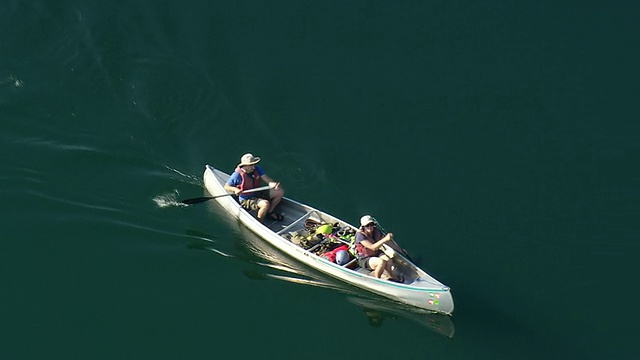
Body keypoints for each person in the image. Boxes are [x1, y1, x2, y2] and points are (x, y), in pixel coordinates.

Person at [224, 153, 285, 222]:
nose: (253, 167)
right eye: (251, 165)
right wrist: (235, 189)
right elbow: (226, 186)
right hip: (246, 199)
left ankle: (269, 212)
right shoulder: (237, 175)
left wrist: (272, 183)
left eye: (253, 164)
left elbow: (266, 178)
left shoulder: (256, 169)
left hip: (257, 192)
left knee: (280, 192)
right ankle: (259, 221)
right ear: (245, 166)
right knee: (265, 204)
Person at [354, 215, 403, 282]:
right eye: (367, 225)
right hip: (365, 259)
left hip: (376, 253)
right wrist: (385, 239)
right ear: (363, 227)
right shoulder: (360, 236)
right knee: (381, 262)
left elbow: (389, 242)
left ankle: (391, 276)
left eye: (371, 224)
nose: (370, 227)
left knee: (388, 260)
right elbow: (372, 247)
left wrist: (400, 250)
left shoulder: (376, 231)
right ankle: (377, 280)